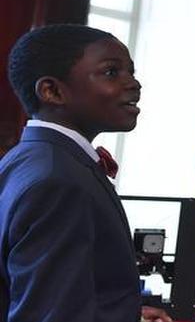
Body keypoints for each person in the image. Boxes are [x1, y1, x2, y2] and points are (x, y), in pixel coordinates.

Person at [0, 25, 171, 322]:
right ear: (52, 91)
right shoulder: (58, 181)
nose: (134, 84)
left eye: (131, 71)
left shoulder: (28, 157)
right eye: (111, 72)